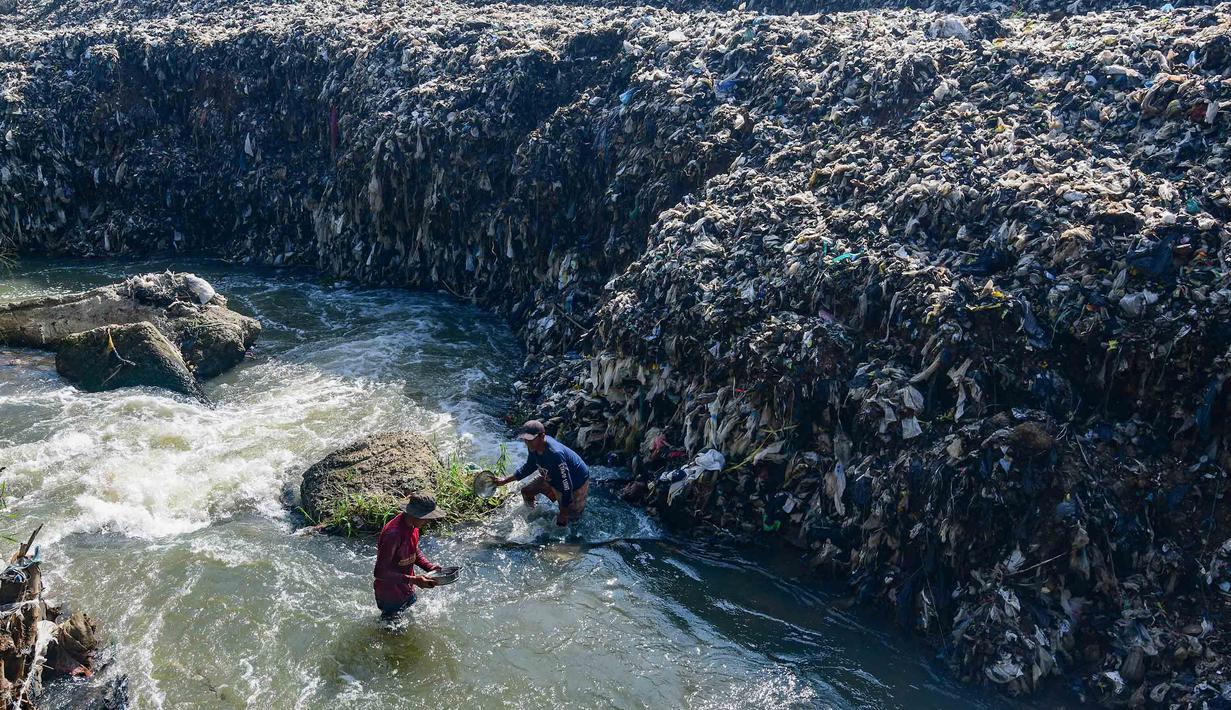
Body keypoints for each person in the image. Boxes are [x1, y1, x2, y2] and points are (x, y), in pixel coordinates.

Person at [494, 420, 590, 527]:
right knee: (527, 492)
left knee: (570, 520)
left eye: (530, 440)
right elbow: (529, 466)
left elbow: (567, 486)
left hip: (576, 482)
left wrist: (563, 513)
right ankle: (531, 518)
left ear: (542, 436)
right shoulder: (533, 447)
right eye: (525, 439)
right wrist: (504, 480)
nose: (527, 442)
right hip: (551, 475)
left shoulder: (555, 455)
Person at [372, 492, 443, 618]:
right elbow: (379, 573)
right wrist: (414, 580)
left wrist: (429, 567)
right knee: (390, 633)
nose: (428, 520)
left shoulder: (413, 525)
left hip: (407, 588)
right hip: (390, 595)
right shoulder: (393, 534)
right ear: (414, 514)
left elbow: (413, 550)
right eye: (425, 517)